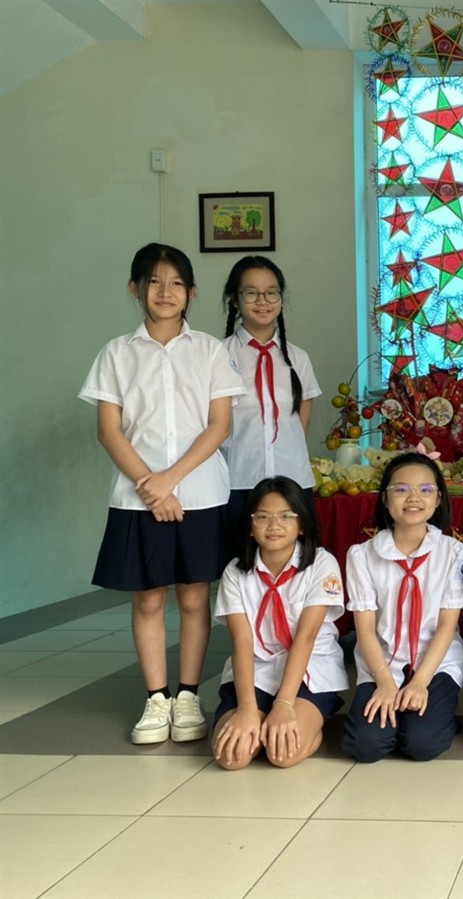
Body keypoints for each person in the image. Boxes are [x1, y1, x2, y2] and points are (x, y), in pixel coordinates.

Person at [80, 243, 243, 744]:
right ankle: (156, 699)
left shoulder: (211, 351)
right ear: (135, 288)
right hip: (137, 496)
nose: (165, 291)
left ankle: (188, 695)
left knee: (194, 597)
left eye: (176, 283)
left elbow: (219, 426)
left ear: (192, 292)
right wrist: (153, 488)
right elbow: (109, 431)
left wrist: (170, 479)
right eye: (154, 281)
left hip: (201, 494)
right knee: (148, 599)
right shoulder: (116, 353)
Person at [340, 451, 463, 762]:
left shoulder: (453, 552)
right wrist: (385, 682)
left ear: (438, 499)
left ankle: (440, 720)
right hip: (383, 658)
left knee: (421, 744)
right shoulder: (362, 555)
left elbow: (447, 626)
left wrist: (421, 682)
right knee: (367, 746)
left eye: (425, 489)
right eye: (401, 489)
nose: (413, 498)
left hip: (435, 661)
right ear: (385, 498)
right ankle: (398, 713)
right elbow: (365, 631)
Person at [211, 476, 347, 769]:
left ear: (303, 525)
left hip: (310, 670)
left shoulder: (321, 564)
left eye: (287, 516)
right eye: (263, 517)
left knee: (282, 755)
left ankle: (311, 726)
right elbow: (242, 641)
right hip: (256, 670)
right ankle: (262, 720)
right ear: (250, 526)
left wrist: (284, 704)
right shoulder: (235, 572)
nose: (274, 525)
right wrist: (247, 709)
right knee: (231, 758)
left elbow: (306, 637)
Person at [220, 256, 321, 546]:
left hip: (293, 484)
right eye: (251, 292)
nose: (262, 301)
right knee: (238, 563)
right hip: (237, 483)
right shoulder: (217, 356)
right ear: (235, 299)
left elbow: (300, 426)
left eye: (271, 292)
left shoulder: (298, 359)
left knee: (295, 563)